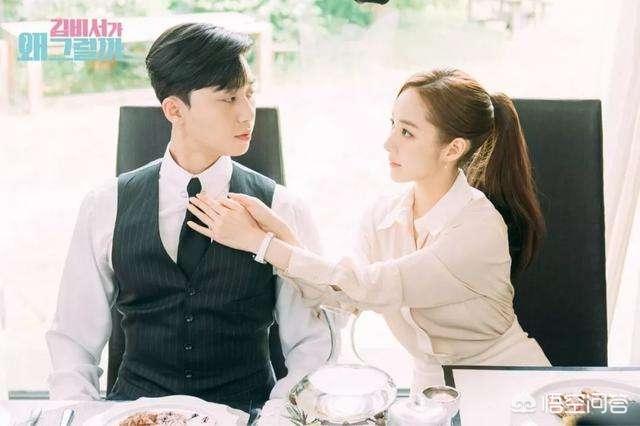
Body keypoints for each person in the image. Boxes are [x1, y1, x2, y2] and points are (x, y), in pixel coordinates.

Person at [186, 68, 551, 393]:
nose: (388, 142)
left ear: (452, 148)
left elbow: (373, 286)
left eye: (407, 132)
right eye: (392, 124)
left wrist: (261, 243)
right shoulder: (383, 216)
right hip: (432, 393)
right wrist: (281, 234)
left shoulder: (478, 228)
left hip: (509, 383)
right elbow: (342, 297)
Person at [45, 23, 330, 413]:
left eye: (249, 94)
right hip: (134, 415)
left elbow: (313, 344)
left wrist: (278, 414)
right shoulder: (104, 206)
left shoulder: (282, 208)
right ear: (175, 110)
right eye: (228, 98)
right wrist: (80, 413)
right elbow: (73, 338)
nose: (247, 113)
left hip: (248, 415)